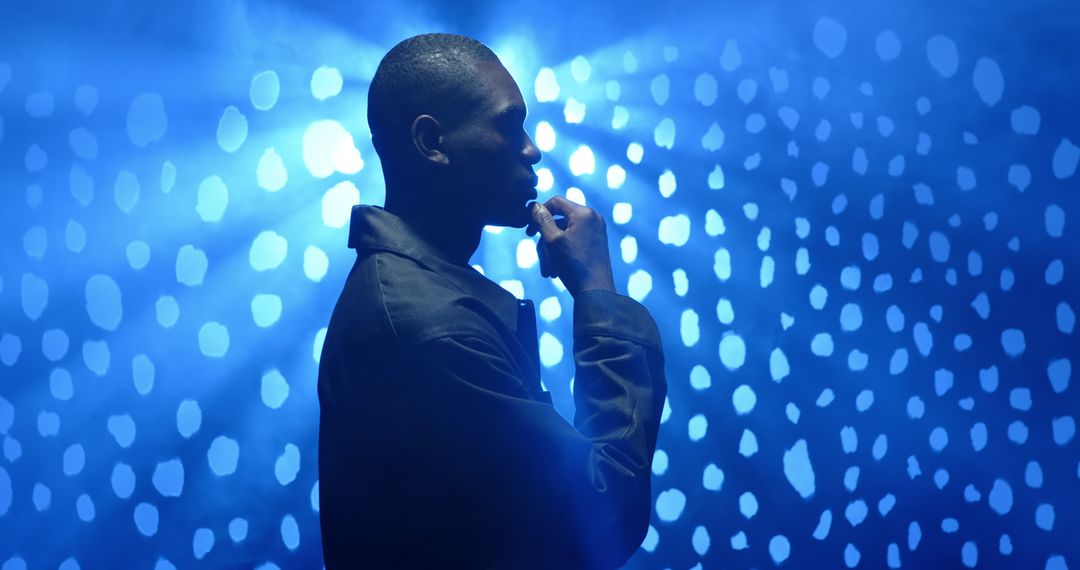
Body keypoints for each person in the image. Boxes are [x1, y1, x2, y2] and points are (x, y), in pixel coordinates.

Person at [317, 33, 667, 569]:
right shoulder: (429, 328)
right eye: (509, 125)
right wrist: (598, 293)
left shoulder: (413, 297)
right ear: (433, 142)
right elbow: (606, 507)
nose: (532, 149)